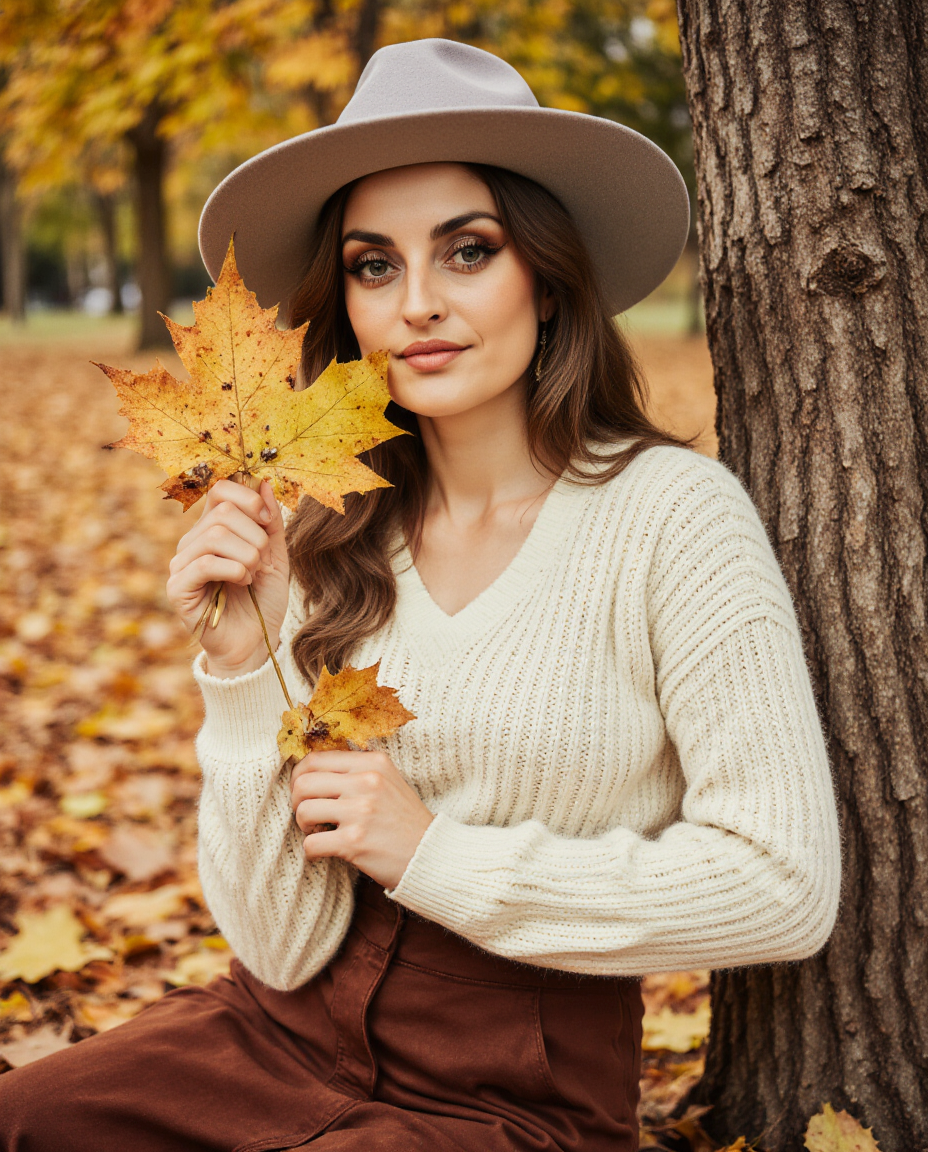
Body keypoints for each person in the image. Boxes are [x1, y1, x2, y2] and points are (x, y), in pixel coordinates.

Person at [0, 38, 841, 1152]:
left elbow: (781, 883)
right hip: (278, 1035)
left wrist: (432, 854)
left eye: (468, 250)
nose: (420, 304)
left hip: (514, 1089)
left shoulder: (673, 519)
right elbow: (283, 945)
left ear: (545, 275)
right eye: (374, 264)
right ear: (343, 305)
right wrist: (246, 673)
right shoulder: (333, 541)